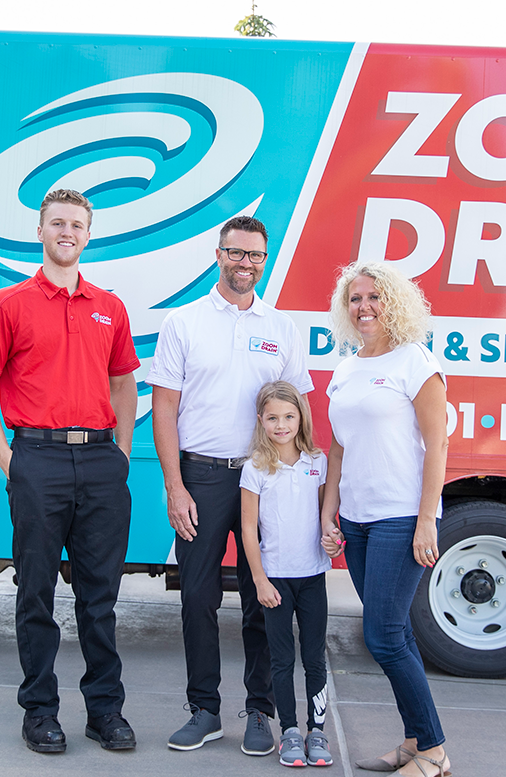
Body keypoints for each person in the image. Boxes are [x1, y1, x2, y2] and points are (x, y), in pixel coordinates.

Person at [0, 188, 140, 754]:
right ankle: (39, 711)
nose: (68, 232)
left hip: (99, 460)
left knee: (100, 596)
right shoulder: (9, 303)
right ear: (40, 230)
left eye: (78, 225)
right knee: (35, 593)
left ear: (88, 235)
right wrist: (8, 459)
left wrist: (119, 452)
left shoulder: (109, 306)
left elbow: (124, 384)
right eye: (58, 223)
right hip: (35, 458)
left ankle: (105, 712)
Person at [147, 216, 312, 755]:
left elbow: (298, 407)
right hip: (201, 475)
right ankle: (205, 710)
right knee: (198, 596)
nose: (245, 264)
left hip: (265, 479)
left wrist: (302, 484)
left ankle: (260, 711)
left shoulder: (281, 327)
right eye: (236, 253)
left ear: (264, 261)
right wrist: (175, 485)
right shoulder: (184, 322)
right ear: (218, 255)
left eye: (255, 256)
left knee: (266, 598)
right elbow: (164, 407)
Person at [318, 262, 452, 777]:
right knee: (398, 634)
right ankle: (416, 741)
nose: (364, 306)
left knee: (383, 637)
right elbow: (338, 449)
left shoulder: (415, 362)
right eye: (354, 298)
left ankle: (435, 751)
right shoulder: (348, 366)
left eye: (374, 296)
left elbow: (436, 443)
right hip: (357, 520)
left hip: (400, 518)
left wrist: (426, 521)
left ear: (394, 302)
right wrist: (330, 513)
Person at [238, 381, 334, 768]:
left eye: (289, 416)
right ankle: (290, 732)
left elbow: (327, 518)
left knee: (314, 659)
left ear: (301, 418)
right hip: (275, 580)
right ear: (261, 420)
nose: (282, 425)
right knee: (281, 660)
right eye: (273, 417)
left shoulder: (317, 462)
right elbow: (248, 530)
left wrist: (334, 538)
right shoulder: (254, 468)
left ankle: (317, 731)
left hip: (312, 577)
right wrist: (260, 580)